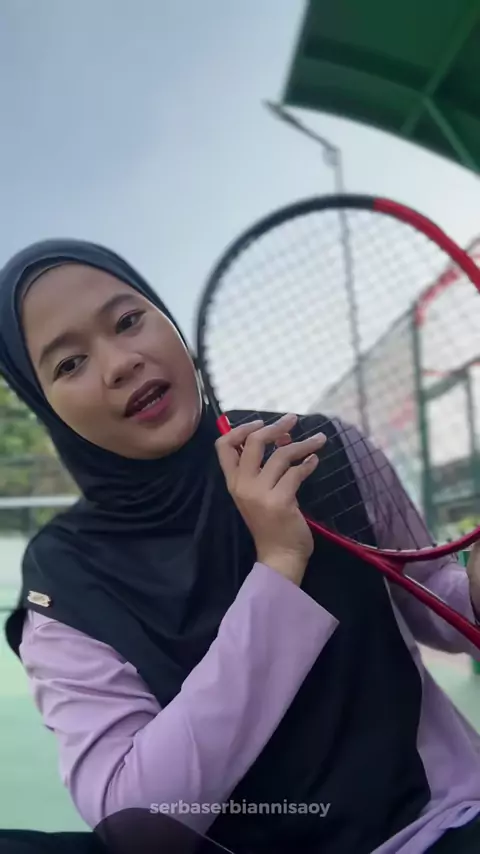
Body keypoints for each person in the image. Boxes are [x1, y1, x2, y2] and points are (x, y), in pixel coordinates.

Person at [0, 239, 480, 854]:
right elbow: (139, 823)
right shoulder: (62, 579)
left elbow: (432, 598)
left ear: (169, 321)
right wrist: (278, 570)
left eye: (128, 320)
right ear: (44, 404)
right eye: (69, 364)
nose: (119, 362)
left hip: (435, 827)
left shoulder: (316, 449)